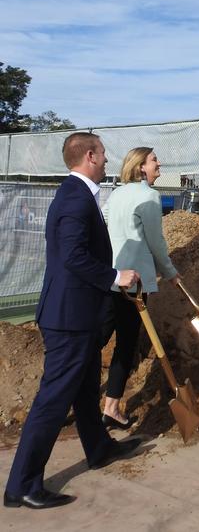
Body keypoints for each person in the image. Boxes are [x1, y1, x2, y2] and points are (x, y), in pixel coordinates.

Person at [4, 133, 141, 510]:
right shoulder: (75, 199)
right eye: (103, 154)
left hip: (78, 313)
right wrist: (117, 277)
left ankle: (98, 449)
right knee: (52, 400)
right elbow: (72, 257)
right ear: (90, 156)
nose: (108, 161)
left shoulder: (78, 195)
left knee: (84, 389)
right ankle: (22, 485)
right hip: (68, 317)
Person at [101, 147, 180, 428]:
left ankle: (65, 398)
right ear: (140, 167)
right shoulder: (149, 196)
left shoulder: (118, 194)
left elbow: (103, 221)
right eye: (154, 160)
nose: (159, 163)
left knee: (96, 339)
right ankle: (111, 408)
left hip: (112, 277)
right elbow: (156, 242)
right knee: (125, 344)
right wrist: (171, 272)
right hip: (134, 285)